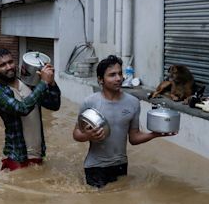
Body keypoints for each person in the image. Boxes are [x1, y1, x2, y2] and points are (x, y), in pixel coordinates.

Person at [73, 55, 177, 188]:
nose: (118, 78)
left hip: (121, 164)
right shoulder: (90, 102)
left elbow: (134, 138)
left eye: (120, 73)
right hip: (95, 166)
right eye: (112, 75)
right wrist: (88, 135)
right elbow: (76, 133)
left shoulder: (132, 103)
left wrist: (155, 134)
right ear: (100, 80)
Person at [0, 48, 61, 171]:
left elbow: (54, 105)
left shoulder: (31, 85)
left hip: (37, 153)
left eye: (10, 62)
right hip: (17, 156)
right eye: (2, 65)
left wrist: (52, 83)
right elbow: (22, 108)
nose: (9, 67)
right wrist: (43, 83)